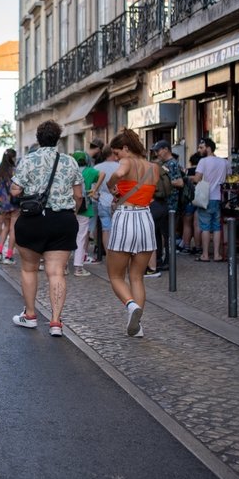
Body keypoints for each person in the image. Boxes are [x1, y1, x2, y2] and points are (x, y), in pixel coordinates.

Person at [9, 120, 83, 337]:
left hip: (33, 220)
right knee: (57, 271)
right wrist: (72, 213)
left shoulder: (28, 160)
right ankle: (55, 322)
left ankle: (30, 315)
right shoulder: (70, 162)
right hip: (62, 220)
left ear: (38, 139)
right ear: (58, 139)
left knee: (29, 268)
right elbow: (78, 195)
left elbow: (15, 191)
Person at [105, 129, 160, 338]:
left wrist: (111, 187)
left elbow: (119, 174)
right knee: (137, 276)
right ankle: (138, 326)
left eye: (117, 153)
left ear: (126, 149)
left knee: (115, 275)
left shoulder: (126, 162)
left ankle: (130, 306)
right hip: (145, 219)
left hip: (126, 217)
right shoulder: (154, 167)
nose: (117, 158)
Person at [149, 140, 185, 277]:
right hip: (163, 205)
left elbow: (180, 182)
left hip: (171, 205)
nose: (157, 153)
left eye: (158, 150)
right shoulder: (164, 164)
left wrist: (166, 183)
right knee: (158, 233)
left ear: (166, 149)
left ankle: (168, 261)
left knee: (167, 234)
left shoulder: (172, 164)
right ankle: (158, 259)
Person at [192, 138, 228, 262]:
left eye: (201, 147)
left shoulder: (203, 161)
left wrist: (188, 178)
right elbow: (228, 178)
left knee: (205, 227)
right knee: (217, 227)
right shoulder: (224, 162)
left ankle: (205, 254)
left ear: (208, 147)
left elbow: (197, 179)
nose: (199, 150)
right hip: (219, 198)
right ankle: (217, 255)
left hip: (205, 198)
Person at [74, 151, 100, 277]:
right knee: (81, 237)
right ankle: (78, 267)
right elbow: (103, 174)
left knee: (67, 237)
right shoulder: (90, 171)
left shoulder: (70, 171)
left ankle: (63, 267)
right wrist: (95, 189)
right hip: (85, 208)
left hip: (69, 208)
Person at [91, 147, 121, 256]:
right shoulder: (120, 167)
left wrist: (98, 197)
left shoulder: (96, 167)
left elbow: (94, 189)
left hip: (102, 200)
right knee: (118, 229)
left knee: (106, 229)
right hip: (117, 200)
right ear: (113, 153)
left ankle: (108, 255)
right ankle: (118, 254)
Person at [0, 149, 18, 262]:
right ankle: (9, 255)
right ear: (12, 158)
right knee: (13, 229)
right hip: (14, 202)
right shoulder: (14, 171)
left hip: (2, 203)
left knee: (5, 227)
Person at [179, 153, 203, 255]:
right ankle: (198, 248)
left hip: (188, 200)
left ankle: (186, 247)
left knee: (187, 224)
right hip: (200, 199)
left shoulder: (187, 171)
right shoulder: (201, 172)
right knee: (197, 224)